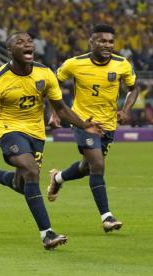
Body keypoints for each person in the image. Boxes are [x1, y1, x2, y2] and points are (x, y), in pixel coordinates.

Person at [0, 32, 104, 250]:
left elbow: (61, 108)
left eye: (29, 41)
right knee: (31, 170)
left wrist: (84, 125)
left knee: (23, 184)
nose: (27, 44)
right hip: (9, 131)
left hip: (36, 134)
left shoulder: (45, 74)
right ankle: (47, 233)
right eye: (20, 42)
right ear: (10, 51)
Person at [47, 24, 138, 232]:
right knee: (98, 166)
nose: (107, 45)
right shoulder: (74, 64)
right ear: (92, 42)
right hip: (83, 122)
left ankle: (58, 177)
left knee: (86, 168)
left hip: (108, 124)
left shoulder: (122, 65)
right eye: (102, 41)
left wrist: (126, 109)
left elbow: (133, 89)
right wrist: (56, 112)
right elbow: (53, 84)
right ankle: (107, 217)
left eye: (110, 41)